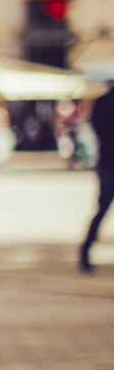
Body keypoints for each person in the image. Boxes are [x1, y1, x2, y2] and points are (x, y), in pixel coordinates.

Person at [79, 82, 114, 275]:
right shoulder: (104, 102)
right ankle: (85, 251)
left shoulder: (102, 102)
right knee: (102, 209)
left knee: (101, 209)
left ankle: (85, 251)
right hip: (109, 163)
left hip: (107, 162)